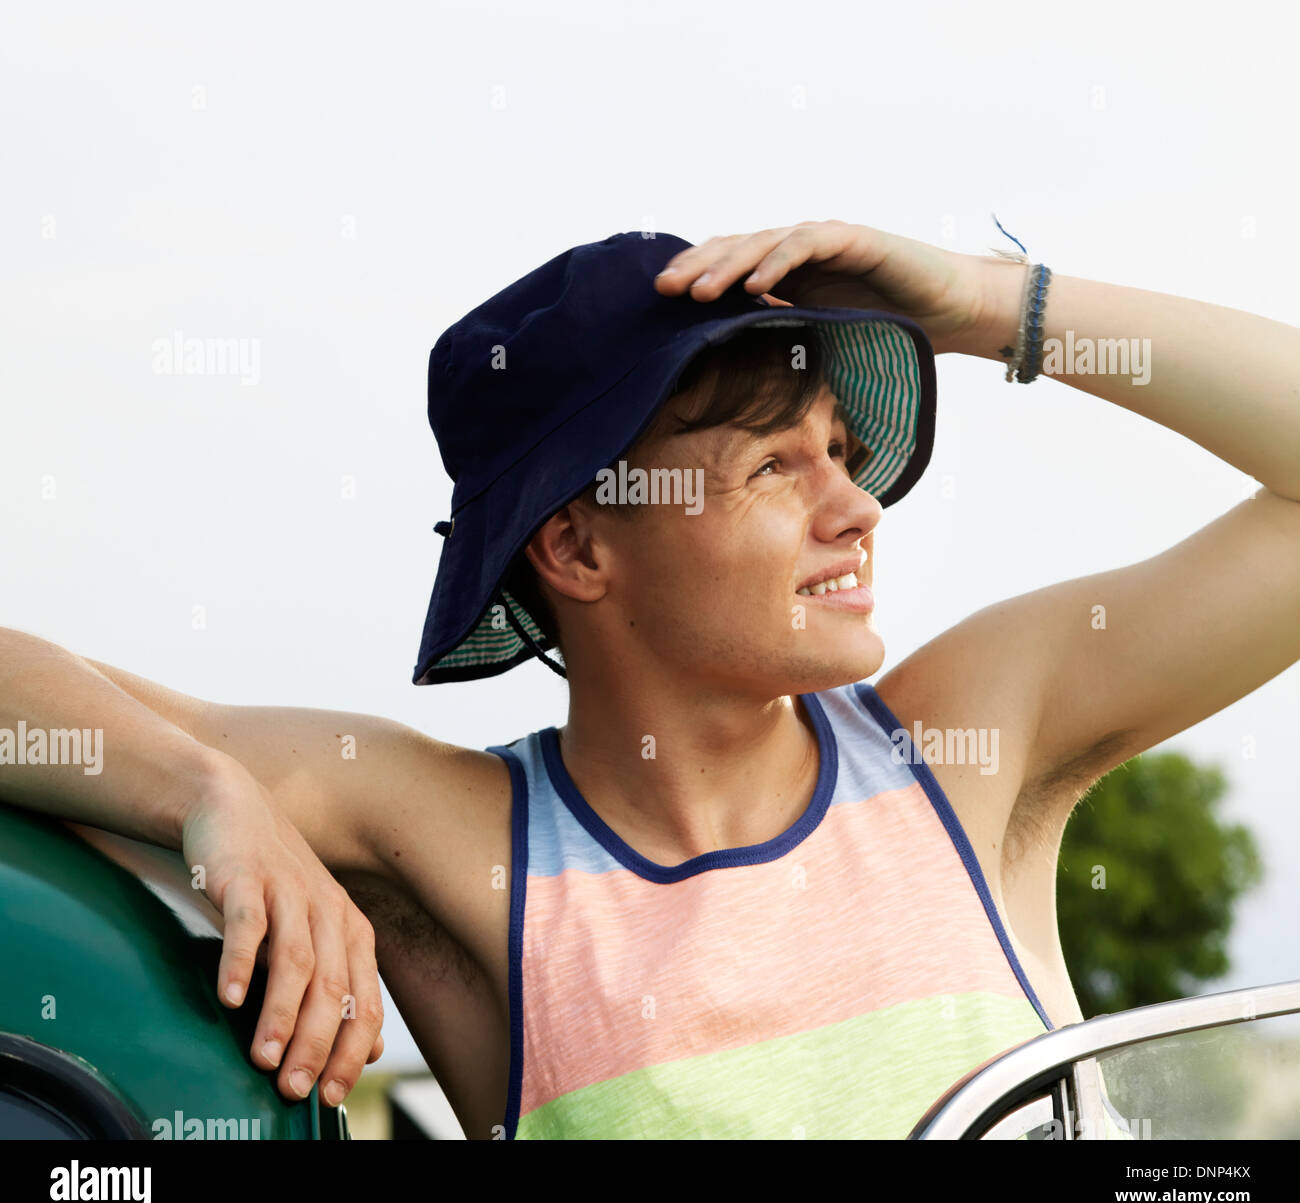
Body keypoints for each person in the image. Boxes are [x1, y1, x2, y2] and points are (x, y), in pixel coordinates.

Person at [2, 220, 1297, 1139]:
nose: (858, 508)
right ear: (576, 543)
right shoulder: (454, 839)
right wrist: (203, 788)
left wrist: (985, 302)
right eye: (779, 467)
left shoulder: (967, 744)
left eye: (842, 449)